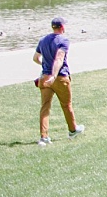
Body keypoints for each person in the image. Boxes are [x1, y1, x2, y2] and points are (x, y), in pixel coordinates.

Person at [34, 16, 83, 145]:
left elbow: (35, 57)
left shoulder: (43, 40)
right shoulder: (64, 41)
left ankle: (43, 137)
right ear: (62, 27)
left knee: (45, 107)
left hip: (44, 77)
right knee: (66, 105)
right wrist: (54, 76)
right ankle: (73, 130)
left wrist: (45, 67)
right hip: (60, 77)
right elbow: (59, 59)